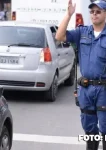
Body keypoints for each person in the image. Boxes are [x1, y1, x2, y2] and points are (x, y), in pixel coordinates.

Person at [55, 0, 106, 150]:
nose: (94, 14)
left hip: (104, 89)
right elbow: (59, 36)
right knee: (89, 129)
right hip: (86, 88)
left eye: (98, 11)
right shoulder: (83, 32)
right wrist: (69, 14)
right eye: (92, 12)